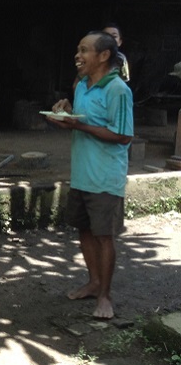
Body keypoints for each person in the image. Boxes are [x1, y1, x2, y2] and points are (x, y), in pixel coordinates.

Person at [47, 30, 133, 319]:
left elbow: (122, 136)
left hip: (106, 177)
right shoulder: (82, 85)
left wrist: (77, 127)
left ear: (104, 55)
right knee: (84, 229)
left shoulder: (118, 90)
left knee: (104, 235)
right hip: (82, 174)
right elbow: (85, 117)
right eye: (78, 49)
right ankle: (94, 283)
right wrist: (66, 112)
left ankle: (106, 297)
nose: (78, 56)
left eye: (84, 50)